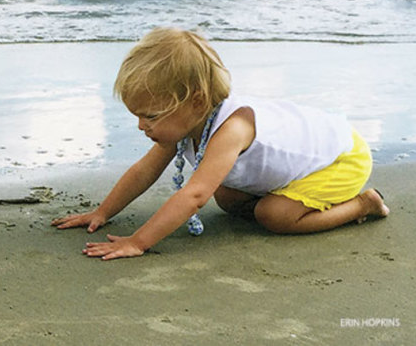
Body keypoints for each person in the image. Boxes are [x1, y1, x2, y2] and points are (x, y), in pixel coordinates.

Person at [52, 27, 389, 260]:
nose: (142, 126)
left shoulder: (233, 128)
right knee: (227, 197)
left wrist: (138, 242)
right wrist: (103, 212)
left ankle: (363, 205)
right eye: (138, 116)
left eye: (151, 116)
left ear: (196, 102)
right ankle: (284, 198)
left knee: (274, 215)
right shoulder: (187, 121)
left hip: (341, 158)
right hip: (304, 162)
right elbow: (145, 171)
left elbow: (194, 195)